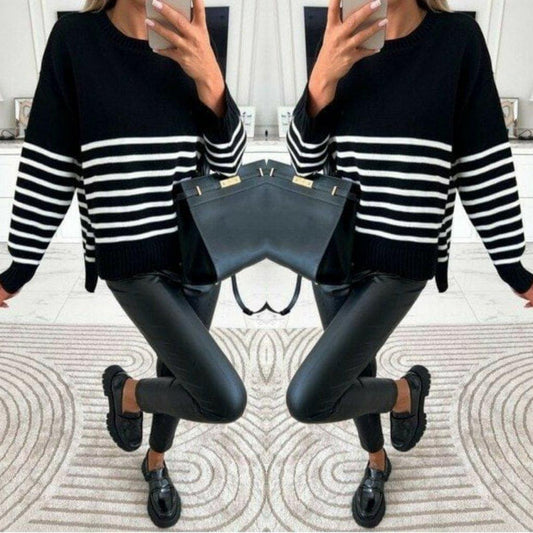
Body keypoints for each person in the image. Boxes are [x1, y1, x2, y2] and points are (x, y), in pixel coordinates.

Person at [285, 0, 533, 528]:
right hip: (330, 252)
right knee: (356, 369)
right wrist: (322, 80)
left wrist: (511, 265)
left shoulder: (456, 40)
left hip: (404, 256)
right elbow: (305, 166)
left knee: (312, 396)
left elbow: (481, 160)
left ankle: (405, 393)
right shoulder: (332, 32)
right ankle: (379, 455)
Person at [0, 0, 247, 528]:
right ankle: (127, 393)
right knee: (220, 396)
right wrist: (20, 266)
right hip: (128, 256)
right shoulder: (76, 40)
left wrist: (209, 79)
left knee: (176, 369)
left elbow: (227, 165)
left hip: (202, 252)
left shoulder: (201, 32)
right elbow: (51, 160)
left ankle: (153, 455)